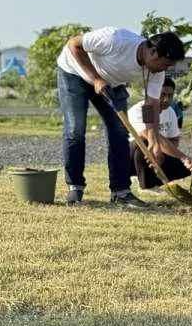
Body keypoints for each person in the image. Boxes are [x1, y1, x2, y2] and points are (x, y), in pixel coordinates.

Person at [57, 27, 185, 208]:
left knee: (119, 132)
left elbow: (150, 106)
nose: (164, 70)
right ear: (153, 52)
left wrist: (154, 142)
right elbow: (74, 44)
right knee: (75, 129)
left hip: (111, 82)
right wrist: (95, 79)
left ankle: (121, 192)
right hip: (74, 73)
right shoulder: (116, 39)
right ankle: (75, 187)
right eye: (165, 64)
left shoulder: (157, 72)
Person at [127, 78, 191, 192]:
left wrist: (165, 153)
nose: (166, 99)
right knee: (145, 142)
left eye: (170, 95)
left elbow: (174, 139)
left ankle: (157, 180)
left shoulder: (170, 111)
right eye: (162, 95)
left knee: (185, 169)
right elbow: (151, 136)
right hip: (133, 155)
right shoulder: (138, 110)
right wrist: (183, 157)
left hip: (159, 152)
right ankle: (146, 185)